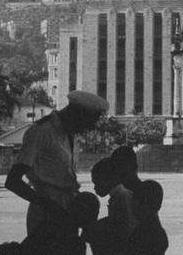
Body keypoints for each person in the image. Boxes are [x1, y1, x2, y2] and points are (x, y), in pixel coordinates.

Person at [6, 90, 108, 232]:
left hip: (68, 212)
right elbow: (12, 181)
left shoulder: (70, 134)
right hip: (46, 217)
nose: (88, 129)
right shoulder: (41, 131)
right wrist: (48, 205)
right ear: (77, 114)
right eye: (87, 123)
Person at [90, 156, 137, 255]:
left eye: (97, 183)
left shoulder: (121, 196)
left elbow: (125, 227)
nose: (95, 188)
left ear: (108, 179)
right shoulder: (120, 194)